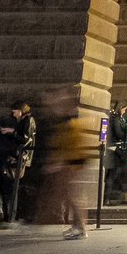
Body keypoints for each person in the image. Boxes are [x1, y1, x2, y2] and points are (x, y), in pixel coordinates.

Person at [37, 87, 92, 240]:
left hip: (71, 163)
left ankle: (80, 228)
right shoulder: (64, 122)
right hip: (70, 162)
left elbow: (71, 145)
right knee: (70, 195)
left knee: (72, 195)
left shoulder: (69, 123)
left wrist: (59, 163)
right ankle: (78, 226)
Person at [0, 100, 36, 228]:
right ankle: (10, 214)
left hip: (19, 158)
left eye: (14, 112)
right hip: (18, 156)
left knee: (12, 186)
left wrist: (11, 132)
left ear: (20, 110)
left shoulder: (28, 120)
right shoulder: (24, 120)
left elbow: (25, 139)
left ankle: (12, 215)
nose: (13, 115)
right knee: (11, 186)